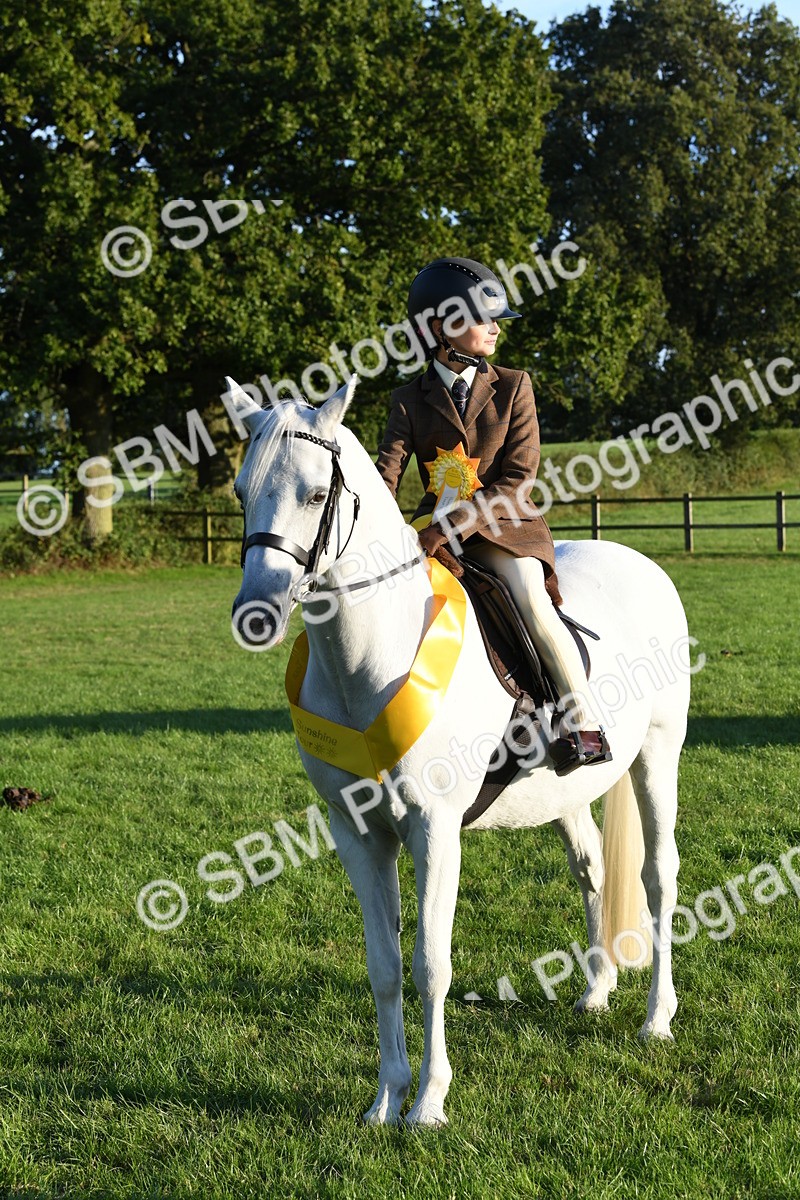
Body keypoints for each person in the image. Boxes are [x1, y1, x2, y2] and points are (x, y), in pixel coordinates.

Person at [375, 257, 612, 775]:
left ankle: (582, 723)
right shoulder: (407, 401)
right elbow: (385, 477)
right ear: (440, 328)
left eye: (496, 318)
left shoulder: (514, 385)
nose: (496, 327)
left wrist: (444, 529)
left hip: (506, 532)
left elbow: (518, 480)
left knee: (529, 601)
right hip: (430, 539)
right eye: (484, 317)